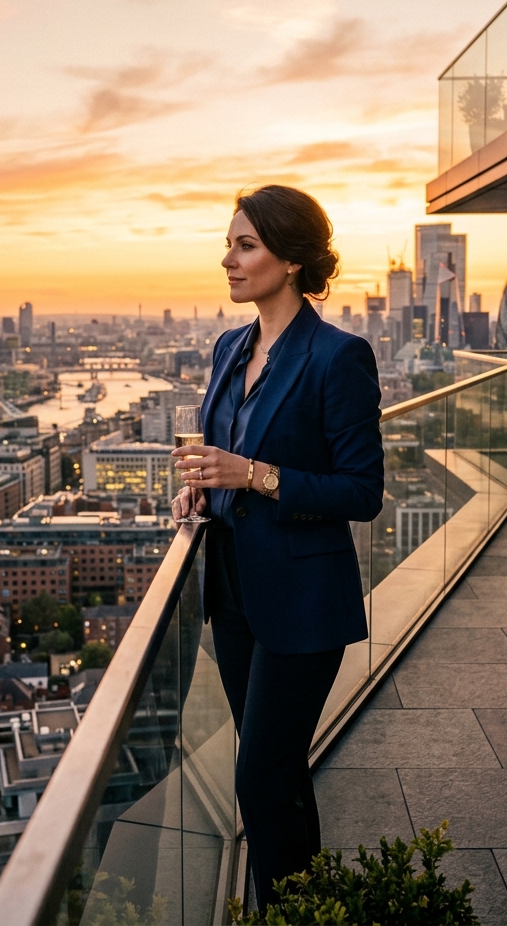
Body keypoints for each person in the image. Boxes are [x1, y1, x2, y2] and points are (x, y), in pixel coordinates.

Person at [171, 184, 383, 908]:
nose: (226, 258)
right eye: (230, 243)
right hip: (231, 590)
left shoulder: (338, 357)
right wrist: (202, 491)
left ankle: (287, 913)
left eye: (245, 244)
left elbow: (361, 492)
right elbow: (226, 460)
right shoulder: (230, 347)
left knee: (259, 776)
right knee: (280, 774)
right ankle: (307, 908)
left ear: (290, 260)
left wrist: (252, 476)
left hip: (301, 601)